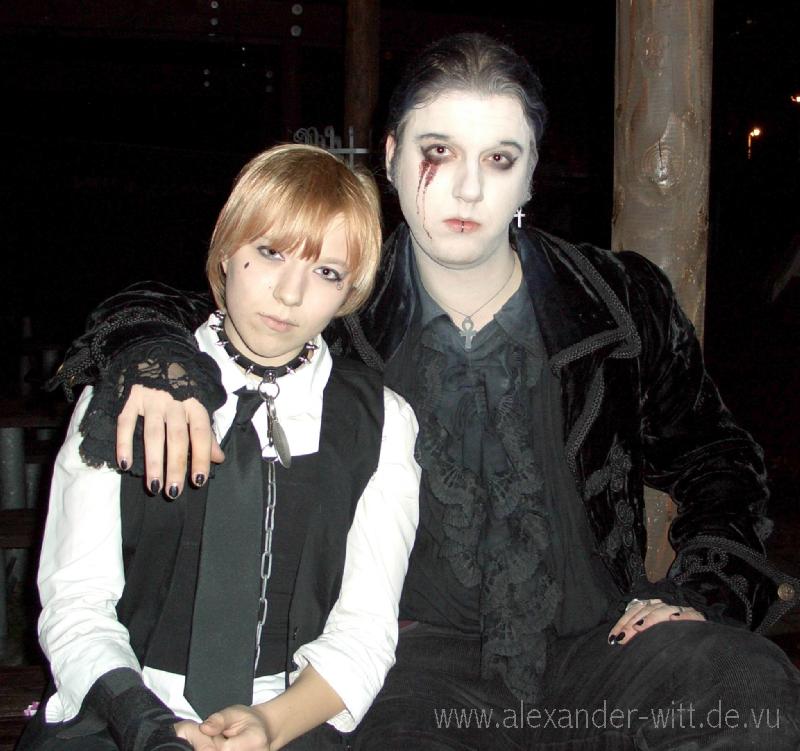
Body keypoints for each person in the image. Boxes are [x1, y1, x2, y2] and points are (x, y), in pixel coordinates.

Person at [49, 33, 800, 750]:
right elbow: (203, 306)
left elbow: (719, 456)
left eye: (499, 158)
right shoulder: (338, 307)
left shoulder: (616, 300)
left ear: (531, 175)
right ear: (391, 158)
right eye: (437, 151)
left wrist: (704, 589)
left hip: (601, 648)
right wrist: (153, 358)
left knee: (753, 691)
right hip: (414, 671)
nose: (468, 187)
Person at [21, 144, 420, 751]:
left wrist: (272, 723)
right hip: (120, 708)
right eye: (271, 252)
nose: (291, 293)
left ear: (349, 292)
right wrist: (146, 723)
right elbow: (75, 601)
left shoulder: (382, 421)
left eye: (326, 272)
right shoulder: (128, 392)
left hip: (293, 716)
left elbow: (365, 627)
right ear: (228, 251)